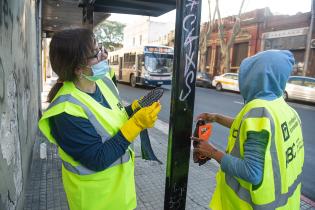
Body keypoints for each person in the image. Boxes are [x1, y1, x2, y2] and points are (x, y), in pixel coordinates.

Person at [38, 28, 161, 210]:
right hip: (95, 202)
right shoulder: (66, 111)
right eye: (96, 54)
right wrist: (136, 124)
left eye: (101, 48)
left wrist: (133, 110)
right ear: (78, 68)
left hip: (122, 196)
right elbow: (97, 158)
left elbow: (114, 118)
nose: (105, 55)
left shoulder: (103, 82)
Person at [192, 50, 304, 210]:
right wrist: (216, 117)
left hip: (251, 205)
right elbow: (247, 129)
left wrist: (212, 152)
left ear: (256, 77)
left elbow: (252, 172)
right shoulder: (284, 108)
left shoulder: (258, 110)